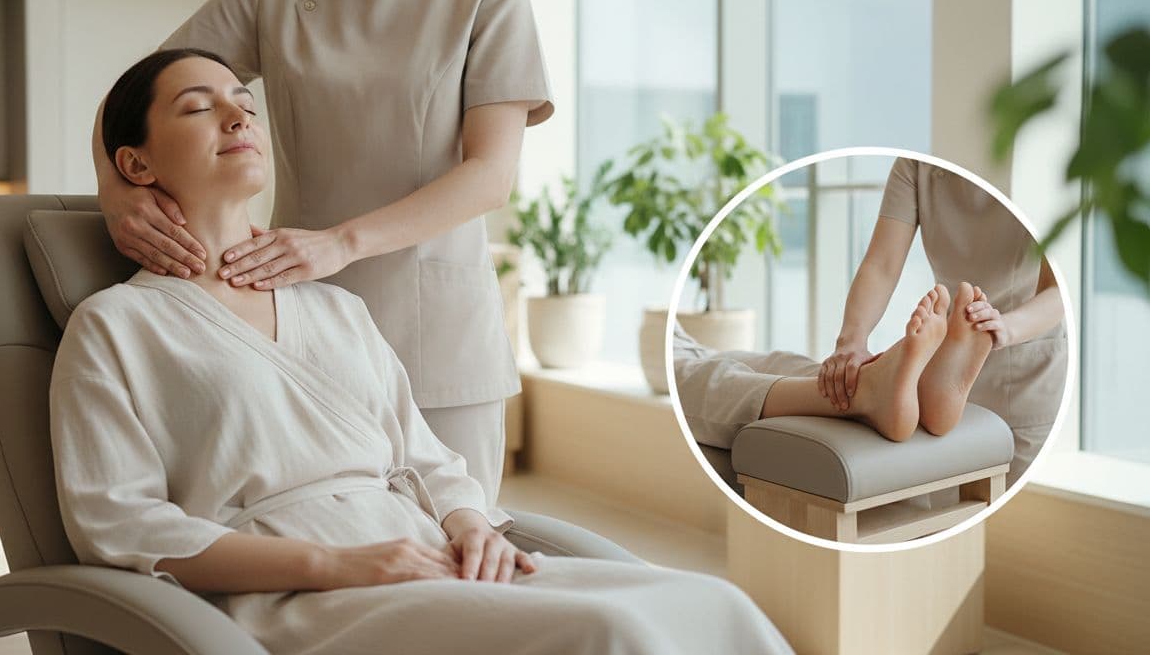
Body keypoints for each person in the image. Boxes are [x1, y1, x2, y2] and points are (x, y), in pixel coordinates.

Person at [53, 49, 792, 655]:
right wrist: (338, 564)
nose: (238, 113)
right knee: (609, 632)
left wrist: (471, 527)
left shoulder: (335, 309)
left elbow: (427, 460)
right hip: (296, 597)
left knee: (714, 604)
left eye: (242, 99)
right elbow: (120, 523)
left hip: (430, 556)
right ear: (136, 165)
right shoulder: (117, 325)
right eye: (197, 107)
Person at [91, 0, 549, 504]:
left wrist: (341, 243)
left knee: (456, 538)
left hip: (435, 333)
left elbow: (490, 175)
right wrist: (116, 190)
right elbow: (135, 96)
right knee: (322, 531)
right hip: (290, 319)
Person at [820, 158, 1066, 485]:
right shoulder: (914, 164)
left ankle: (918, 365)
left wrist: (1003, 328)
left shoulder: (1038, 156)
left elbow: (1060, 288)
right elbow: (882, 264)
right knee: (945, 510)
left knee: (1005, 515)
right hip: (944, 367)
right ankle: (913, 370)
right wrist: (851, 341)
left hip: (1023, 361)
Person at [675, 282, 997, 447]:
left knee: (779, 362)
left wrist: (849, 352)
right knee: (703, 377)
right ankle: (867, 393)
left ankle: (912, 387)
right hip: (677, 351)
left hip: (687, 341)